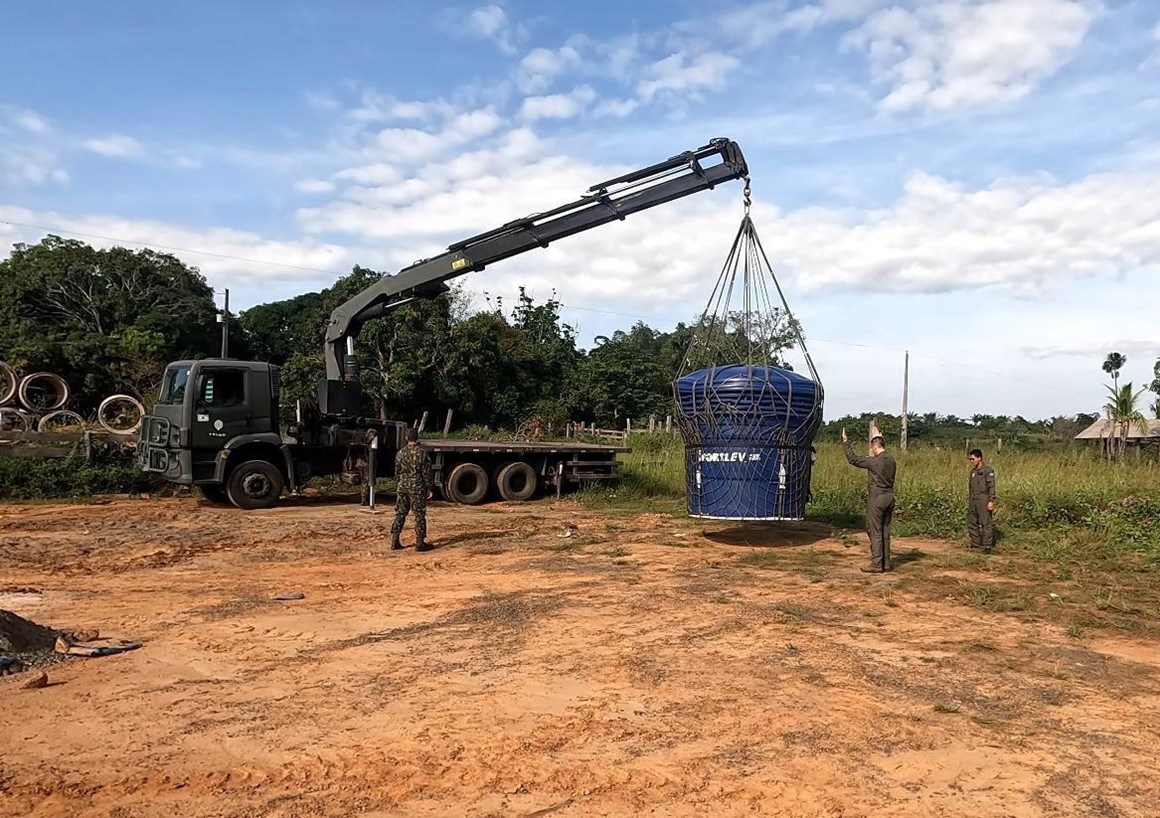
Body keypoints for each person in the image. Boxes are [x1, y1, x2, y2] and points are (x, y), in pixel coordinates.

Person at [841, 428, 897, 573]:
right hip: (889, 496)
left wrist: (846, 441)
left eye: (872, 447)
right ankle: (886, 563)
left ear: (874, 447)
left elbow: (853, 459)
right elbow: (879, 443)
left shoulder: (875, 462)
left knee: (875, 530)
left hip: (877, 497)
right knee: (885, 531)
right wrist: (878, 436)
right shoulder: (891, 459)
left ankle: (876, 563)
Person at [391, 427, 434, 552]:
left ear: (406, 438)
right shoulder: (422, 453)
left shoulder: (400, 453)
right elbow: (427, 473)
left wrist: (400, 483)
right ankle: (420, 542)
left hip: (403, 486)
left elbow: (397, 472)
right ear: (417, 438)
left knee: (400, 513)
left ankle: (395, 540)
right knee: (419, 514)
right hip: (417, 487)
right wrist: (430, 488)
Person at [967, 448, 996, 552]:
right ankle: (975, 542)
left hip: (984, 498)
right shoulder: (973, 471)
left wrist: (991, 500)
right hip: (974, 499)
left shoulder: (988, 471)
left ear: (979, 458)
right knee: (972, 522)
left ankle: (987, 545)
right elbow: (970, 487)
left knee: (985, 522)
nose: (971, 461)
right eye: (970, 459)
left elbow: (991, 486)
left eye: (973, 459)